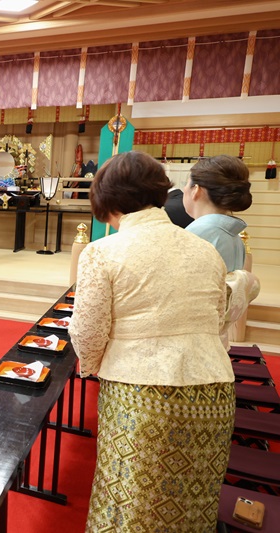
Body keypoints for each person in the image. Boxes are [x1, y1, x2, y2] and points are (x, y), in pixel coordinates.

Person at [68, 151, 235, 531]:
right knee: (192, 505)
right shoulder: (204, 249)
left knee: (130, 506)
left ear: (107, 202)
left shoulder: (102, 252)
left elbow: (88, 331)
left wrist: (91, 367)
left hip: (144, 394)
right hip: (214, 391)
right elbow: (217, 316)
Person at [183, 155, 252, 271]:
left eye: (186, 184)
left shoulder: (198, 234)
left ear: (196, 190)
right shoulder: (234, 235)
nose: (184, 189)